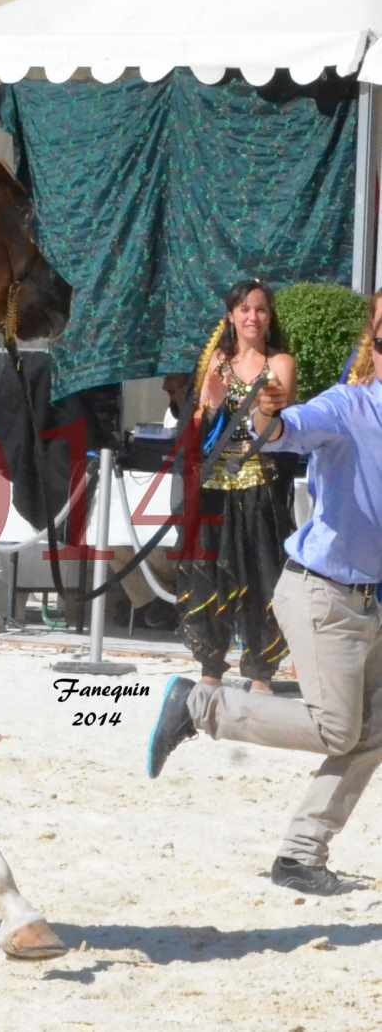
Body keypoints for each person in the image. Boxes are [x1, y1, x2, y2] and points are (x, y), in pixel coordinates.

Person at [147, 310, 382, 894]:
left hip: (372, 602)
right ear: (373, 344)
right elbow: (283, 431)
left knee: (374, 730)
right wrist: (264, 412)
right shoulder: (348, 407)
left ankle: (300, 856)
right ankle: (200, 705)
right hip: (323, 593)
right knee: (336, 730)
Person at [175, 280, 297, 695]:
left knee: (261, 575)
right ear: (231, 315)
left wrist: (261, 406)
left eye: (260, 309)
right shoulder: (215, 361)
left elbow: (277, 426)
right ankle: (211, 664)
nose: (252, 317)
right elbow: (198, 429)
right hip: (215, 487)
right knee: (211, 573)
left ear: (269, 317)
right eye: (244, 309)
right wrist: (210, 402)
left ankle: (260, 670)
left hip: (261, 485)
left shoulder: (280, 363)